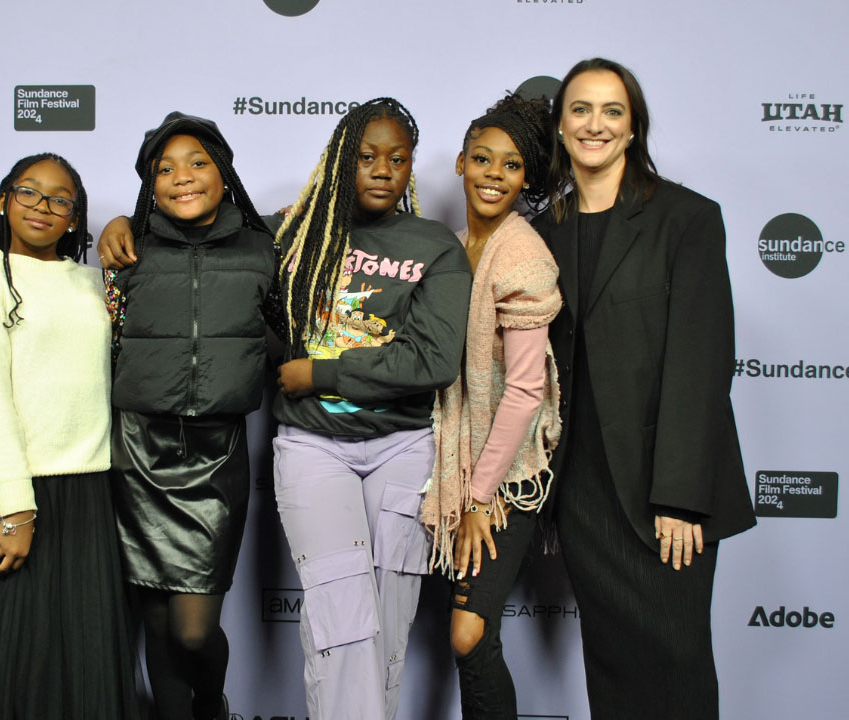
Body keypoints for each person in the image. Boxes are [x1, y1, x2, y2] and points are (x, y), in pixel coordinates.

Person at [534, 58, 756, 720]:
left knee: (675, 665)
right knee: (612, 664)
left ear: (633, 129)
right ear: (561, 126)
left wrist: (682, 498)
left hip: (665, 492)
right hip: (581, 490)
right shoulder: (547, 228)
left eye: (611, 111)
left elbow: (702, 362)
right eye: (580, 109)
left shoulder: (686, 218)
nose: (594, 124)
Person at [271, 98, 470, 720]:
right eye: (366, 156)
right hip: (313, 445)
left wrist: (323, 372)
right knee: (341, 616)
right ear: (340, 161)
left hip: (404, 448)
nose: (383, 169)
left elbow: (433, 361)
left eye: (398, 158)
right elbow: (206, 233)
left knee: (388, 618)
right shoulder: (296, 230)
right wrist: (123, 223)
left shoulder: (435, 246)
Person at [0, 153, 140, 719]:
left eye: (60, 199)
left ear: (75, 218)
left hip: (88, 491)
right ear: (4, 200)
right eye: (28, 192)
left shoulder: (97, 281)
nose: (42, 206)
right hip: (14, 491)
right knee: (12, 668)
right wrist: (16, 510)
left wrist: (122, 224)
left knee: (82, 665)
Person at [100, 112, 275, 720]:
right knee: (154, 618)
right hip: (138, 452)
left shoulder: (265, 248)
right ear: (150, 182)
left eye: (198, 162)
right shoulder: (127, 249)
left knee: (193, 630)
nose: (182, 178)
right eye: (165, 168)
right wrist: (117, 225)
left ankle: (210, 703)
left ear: (224, 172)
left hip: (216, 455)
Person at [419, 93, 562, 720]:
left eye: (509, 166)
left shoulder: (522, 255)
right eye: (482, 158)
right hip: (449, 457)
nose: (493, 175)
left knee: (468, 633)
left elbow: (527, 391)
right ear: (459, 162)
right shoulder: (450, 248)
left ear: (526, 178)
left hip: (506, 476)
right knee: (468, 636)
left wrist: (480, 497)